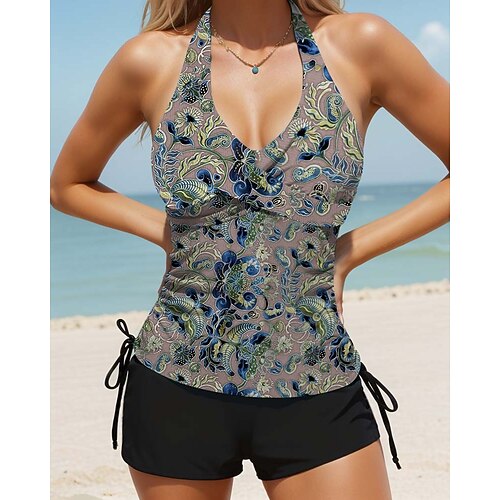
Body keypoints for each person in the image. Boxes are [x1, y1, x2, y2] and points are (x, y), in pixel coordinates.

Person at [50, 0, 450, 498]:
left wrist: (348, 253)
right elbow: (67, 185)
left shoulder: (361, 44)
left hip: (315, 372)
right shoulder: (150, 60)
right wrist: (166, 232)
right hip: (176, 373)